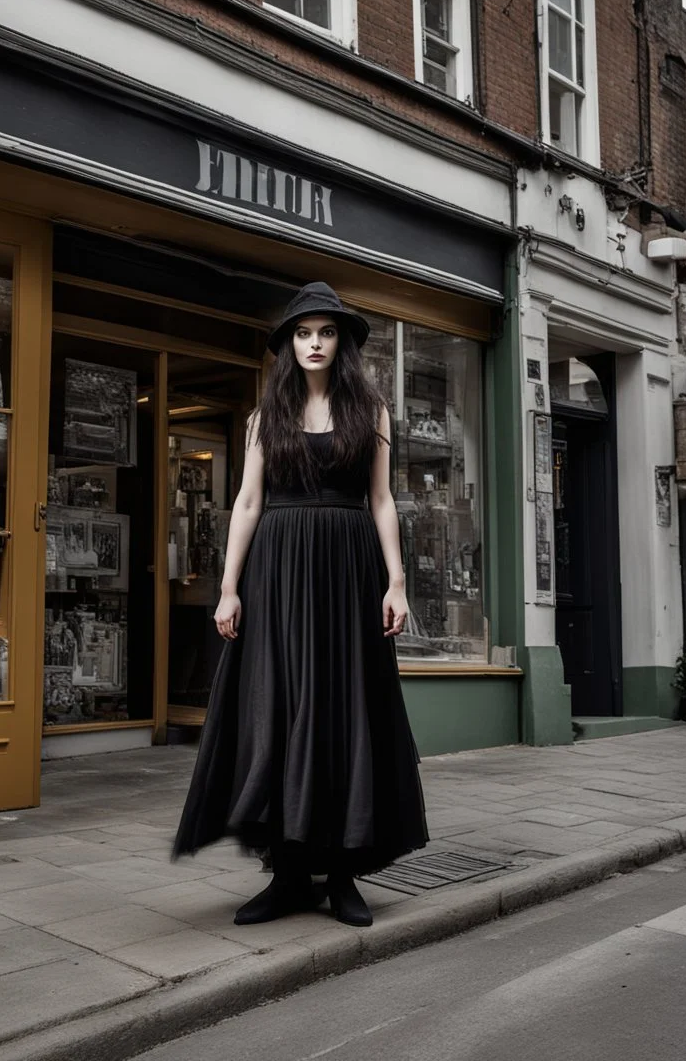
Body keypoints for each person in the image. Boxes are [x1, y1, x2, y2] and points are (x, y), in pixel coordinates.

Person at [172, 282, 428, 927]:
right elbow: (249, 504)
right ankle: (288, 876)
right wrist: (229, 587)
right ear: (289, 343)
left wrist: (396, 582)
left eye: (326, 332)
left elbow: (381, 501)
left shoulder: (371, 412)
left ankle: (341, 875)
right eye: (303, 332)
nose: (314, 343)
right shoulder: (267, 417)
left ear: (342, 343)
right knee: (277, 713)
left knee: (345, 713)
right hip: (277, 575)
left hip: (347, 571)